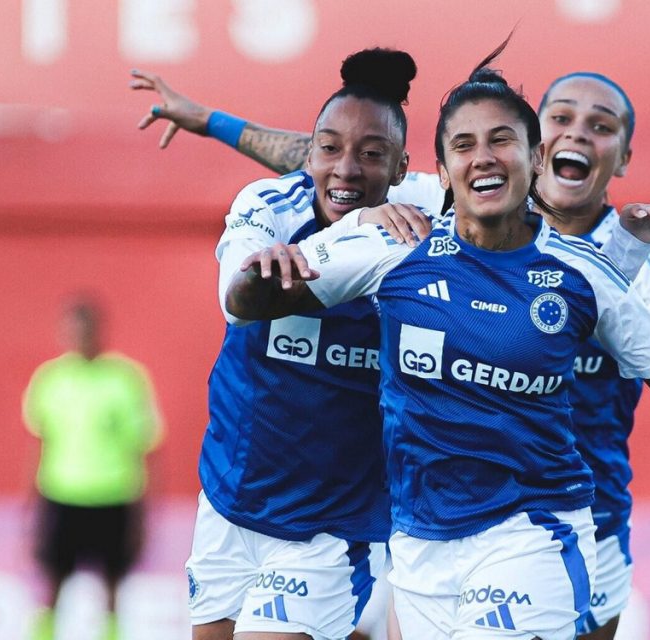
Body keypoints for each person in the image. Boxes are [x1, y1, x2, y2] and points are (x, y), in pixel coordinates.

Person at [132, 65, 650, 640]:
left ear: (547, 157)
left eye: (600, 126)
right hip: (422, 537)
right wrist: (253, 249)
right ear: (438, 171)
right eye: (563, 116)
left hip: (553, 524)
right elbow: (334, 160)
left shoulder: (611, 271)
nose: (576, 134)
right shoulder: (403, 231)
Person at [181, 47, 444, 640]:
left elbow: (514, 193)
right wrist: (349, 231)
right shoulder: (267, 205)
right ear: (310, 153)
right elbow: (236, 302)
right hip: (231, 499)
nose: (347, 169)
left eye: (372, 154)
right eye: (329, 148)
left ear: (402, 169)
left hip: (333, 526)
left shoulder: (428, 214)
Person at [23, 294, 163, 640]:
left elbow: (145, 447)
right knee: (53, 585)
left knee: (112, 589)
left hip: (113, 496)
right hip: (61, 493)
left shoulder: (125, 378)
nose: (78, 336)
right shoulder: (50, 379)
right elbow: (40, 442)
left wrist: (146, 512)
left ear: (99, 330)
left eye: (85, 329)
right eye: (71, 329)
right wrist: (31, 505)